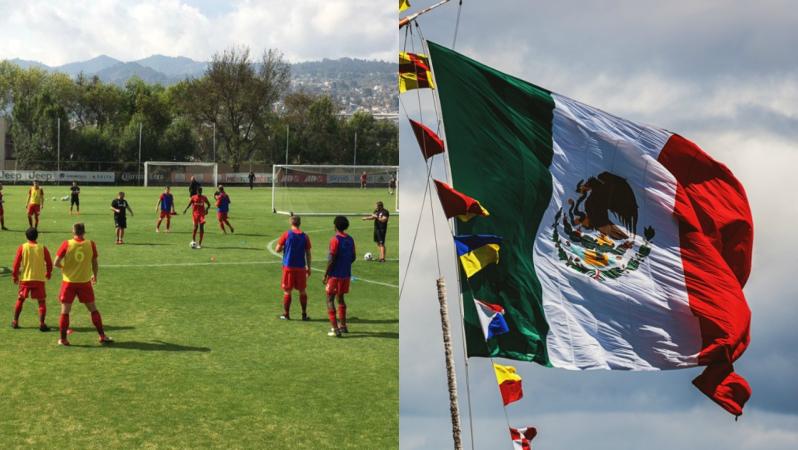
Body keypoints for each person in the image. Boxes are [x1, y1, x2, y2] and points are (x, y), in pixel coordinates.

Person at [53, 222, 112, 346]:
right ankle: (102, 336)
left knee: (65, 311)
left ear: (73, 231)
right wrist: (94, 276)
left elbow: (56, 263)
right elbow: (95, 263)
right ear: (84, 232)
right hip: (84, 283)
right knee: (93, 309)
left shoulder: (67, 244)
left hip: (68, 283)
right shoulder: (91, 244)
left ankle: (63, 339)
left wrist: (65, 267)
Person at [11, 227, 53, 331]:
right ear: (37, 236)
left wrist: (15, 276)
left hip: (25, 279)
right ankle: (42, 324)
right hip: (39, 279)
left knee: (20, 299)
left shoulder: (23, 247)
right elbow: (49, 262)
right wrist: (48, 273)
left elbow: (16, 263)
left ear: (26, 236)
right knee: (41, 302)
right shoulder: (42, 248)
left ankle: (15, 321)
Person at [323, 216, 356, 337]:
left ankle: (335, 328)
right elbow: (353, 257)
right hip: (346, 274)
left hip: (335, 275)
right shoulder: (350, 239)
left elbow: (331, 259)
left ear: (335, 226)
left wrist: (326, 274)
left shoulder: (335, 240)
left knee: (329, 299)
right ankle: (343, 326)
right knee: (340, 298)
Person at [274, 215, 311, 321]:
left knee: (287, 291)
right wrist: (309, 267)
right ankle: (304, 314)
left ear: (291, 223)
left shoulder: (286, 234)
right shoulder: (305, 236)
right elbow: (308, 253)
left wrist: (283, 247)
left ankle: (286, 314)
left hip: (288, 267)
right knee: (302, 291)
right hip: (301, 267)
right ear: (300, 223)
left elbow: (277, 249)